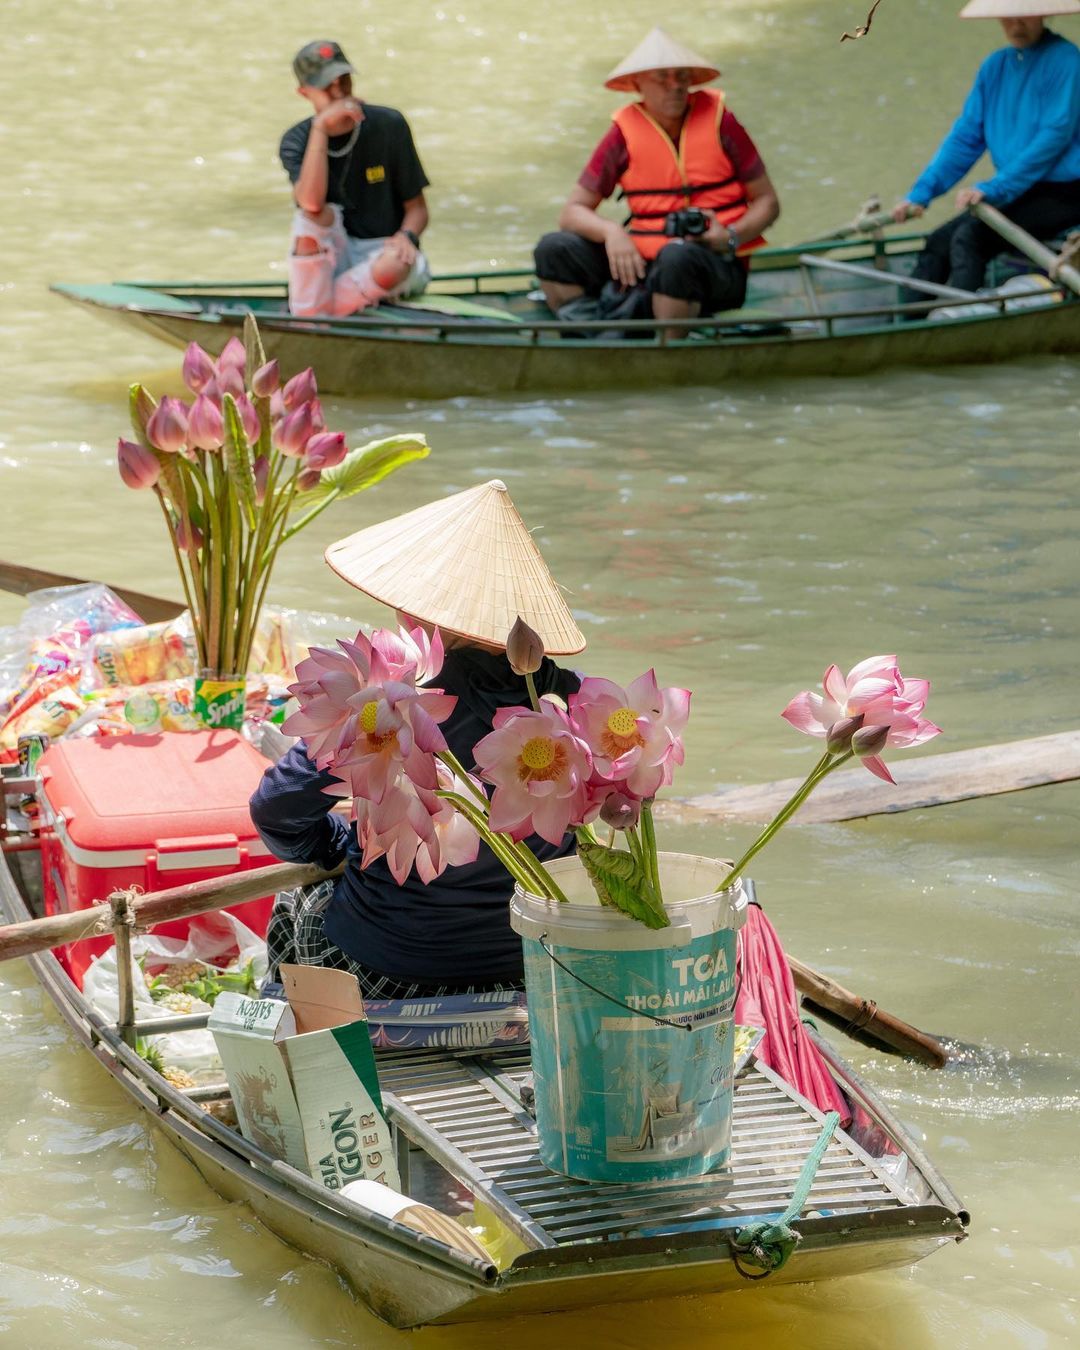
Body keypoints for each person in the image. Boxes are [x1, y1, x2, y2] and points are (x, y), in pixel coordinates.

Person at [250, 480, 587, 998]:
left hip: (384, 972)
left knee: (296, 902)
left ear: (419, 614)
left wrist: (335, 845)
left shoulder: (387, 703)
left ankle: (308, 1044)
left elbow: (275, 809)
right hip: (532, 967)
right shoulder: (573, 710)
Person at [534, 28, 780, 333]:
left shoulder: (723, 124)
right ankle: (591, 336)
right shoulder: (623, 133)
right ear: (638, 84)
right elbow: (572, 212)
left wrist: (729, 237)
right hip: (642, 267)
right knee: (554, 248)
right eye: (662, 78)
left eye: (681, 76)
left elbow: (767, 202)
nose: (674, 86)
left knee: (677, 257)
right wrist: (612, 233)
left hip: (714, 267)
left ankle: (669, 349)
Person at [892, 1, 1080, 294]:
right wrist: (922, 193)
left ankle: (963, 323)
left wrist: (995, 188)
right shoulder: (995, 67)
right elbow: (966, 138)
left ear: (1043, 13)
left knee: (971, 238)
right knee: (938, 242)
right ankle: (905, 325)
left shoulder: (1066, 61)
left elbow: (1052, 138)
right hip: (1021, 189)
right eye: (1009, 17)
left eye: (1025, 17)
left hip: (1065, 193)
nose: (1016, 25)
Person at [280, 39, 432, 318]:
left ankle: (313, 316)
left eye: (344, 80)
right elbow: (311, 204)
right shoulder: (296, 140)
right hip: (334, 255)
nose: (339, 92)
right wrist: (321, 130)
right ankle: (318, 310)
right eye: (327, 87)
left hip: (383, 253)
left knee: (393, 264)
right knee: (309, 219)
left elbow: (418, 209)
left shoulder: (389, 125)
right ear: (304, 93)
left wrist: (406, 237)